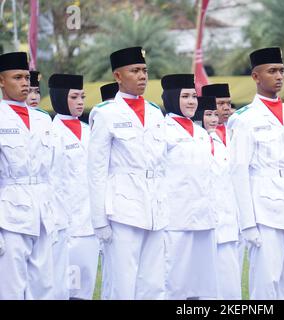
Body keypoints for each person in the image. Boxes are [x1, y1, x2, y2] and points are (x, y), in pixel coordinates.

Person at [228, 47, 284, 299]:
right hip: (266, 209)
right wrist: (247, 224)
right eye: (272, 71)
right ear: (255, 76)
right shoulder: (245, 119)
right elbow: (238, 172)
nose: (279, 76)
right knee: (267, 281)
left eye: (281, 71)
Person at [88, 47, 168, 300]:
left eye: (144, 70)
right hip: (122, 209)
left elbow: (162, 165)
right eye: (135, 71)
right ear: (118, 76)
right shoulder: (105, 113)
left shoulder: (156, 113)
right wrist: (99, 219)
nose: (142, 76)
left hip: (155, 208)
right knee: (122, 283)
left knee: (154, 283)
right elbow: (97, 169)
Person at [0, 52, 54, 299]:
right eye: (17, 77)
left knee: (43, 286)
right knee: (11, 287)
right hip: (9, 214)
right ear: (2, 81)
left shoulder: (43, 120)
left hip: (42, 212)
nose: (25, 83)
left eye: (26, 77)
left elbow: (53, 171)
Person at [161, 74, 218, 300]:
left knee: (202, 284)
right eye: (185, 96)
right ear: (173, 98)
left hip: (204, 217)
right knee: (175, 282)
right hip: (176, 218)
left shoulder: (202, 134)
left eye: (194, 96)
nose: (192, 101)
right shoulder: (163, 130)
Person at [47, 74, 99, 300]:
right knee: (62, 288)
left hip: (89, 223)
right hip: (63, 224)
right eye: (74, 96)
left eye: (82, 96)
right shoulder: (50, 133)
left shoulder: (91, 131)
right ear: (59, 98)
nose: (80, 101)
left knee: (84, 288)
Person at [196, 95, 241, 300]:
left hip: (227, 217)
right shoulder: (193, 143)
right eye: (208, 114)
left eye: (216, 114)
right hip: (202, 219)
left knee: (229, 278)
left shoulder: (222, 142)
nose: (214, 119)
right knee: (203, 281)